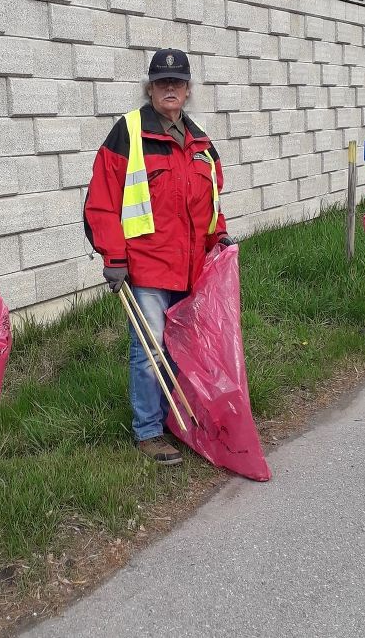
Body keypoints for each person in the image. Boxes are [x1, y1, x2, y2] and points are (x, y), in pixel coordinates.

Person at [84, 48, 233, 465]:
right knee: (150, 349)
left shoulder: (201, 141)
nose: (170, 88)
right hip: (146, 266)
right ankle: (148, 430)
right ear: (150, 88)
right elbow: (101, 201)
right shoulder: (128, 132)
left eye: (178, 83)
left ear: (187, 91)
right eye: (162, 82)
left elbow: (213, 201)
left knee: (183, 346)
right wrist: (113, 257)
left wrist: (219, 238)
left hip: (191, 267)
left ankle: (176, 418)